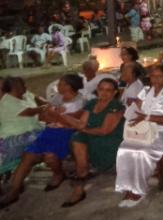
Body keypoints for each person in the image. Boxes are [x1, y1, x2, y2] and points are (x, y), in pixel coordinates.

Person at [0, 74, 85, 208]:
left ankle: (59, 174)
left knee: (49, 156)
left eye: (60, 84)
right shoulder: (58, 97)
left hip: (63, 133)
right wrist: (55, 115)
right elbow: (44, 115)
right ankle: (13, 191)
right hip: (48, 131)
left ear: (68, 86)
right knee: (28, 156)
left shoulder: (80, 100)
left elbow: (75, 121)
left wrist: (55, 115)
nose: (57, 86)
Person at [115, 64, 163, 207]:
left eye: (160, 76)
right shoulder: (145, 91)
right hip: (144, 129)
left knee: (142, 152)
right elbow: (137, 110)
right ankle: (128, 187)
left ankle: (139, 190)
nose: (156, 79)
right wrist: (130, 114)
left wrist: (145, 117)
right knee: (124, 149)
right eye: (153, 76)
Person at [58, 78, 125, 207]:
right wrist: (63, 117)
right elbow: (81, 123)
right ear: (97, 90)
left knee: (79, 137)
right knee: (77, 138)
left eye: (108, 90)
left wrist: (81, 128)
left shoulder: (116, 106)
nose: (104, 93)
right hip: (90, 134)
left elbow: (104, 131)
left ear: (115, 92)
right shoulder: (92, 103)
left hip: (109, 140)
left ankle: (81, 179)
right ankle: (80, 184)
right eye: (101, 89)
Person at [0, 78, 44, 177]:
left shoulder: (25, 95)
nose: (26, 87)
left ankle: (17, 175)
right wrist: (47, 108)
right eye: (23, 85)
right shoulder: (7, 101)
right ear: (15, 87)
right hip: (13, 135)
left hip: (31, 131)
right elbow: (29, 112)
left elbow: (40, 104)